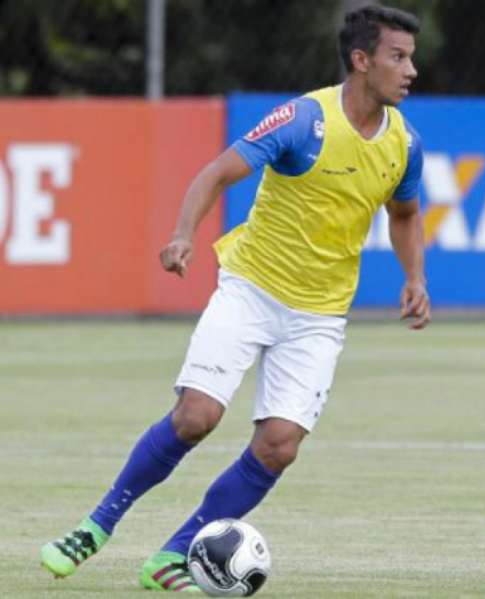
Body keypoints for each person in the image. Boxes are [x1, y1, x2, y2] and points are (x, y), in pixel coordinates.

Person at [40, 4, 429, 593]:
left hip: (320, 315)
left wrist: (414, 278)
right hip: (251, 289)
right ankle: (96, 527)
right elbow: (217, 173)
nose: (411, 70)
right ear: (361, 60)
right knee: (197, 417)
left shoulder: (404, 143)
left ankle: (171, 555)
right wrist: (181, 234)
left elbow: (405, 214)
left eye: (411, 57)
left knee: (279, 447)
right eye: (398, 57)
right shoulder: (305, 120)